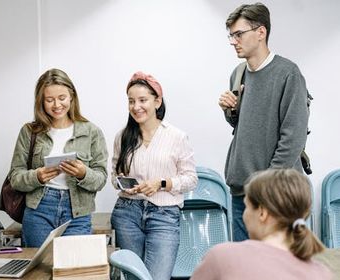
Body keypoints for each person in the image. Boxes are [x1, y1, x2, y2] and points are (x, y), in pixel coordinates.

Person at [218, 3, 309, 241]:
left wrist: (266, 186)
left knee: (280, 269)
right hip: (241, 192)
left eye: (239, 34)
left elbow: (293, 138)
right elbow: (244, 127)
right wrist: (231, 111)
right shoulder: (238, 74)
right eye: (231, 35)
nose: (233, 41)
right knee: (244, 269)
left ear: (261, 32)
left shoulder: (288, 74)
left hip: (276, 194)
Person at [111, 71, 198, 280]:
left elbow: (191, 179)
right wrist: (122, 183)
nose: (135, 107)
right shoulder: (123, 136)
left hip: (164, 215)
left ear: (157, 101)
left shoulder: (176, 136)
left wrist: (162, 183)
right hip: (127, 213)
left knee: (157, 277)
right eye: (131, 101)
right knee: (133, 277)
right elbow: (114, 175)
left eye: (143, 100)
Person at [9, 68, 108, 247]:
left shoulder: (92, 132)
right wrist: (37, 176)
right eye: (49, 100)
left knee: (73, 270)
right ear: (41, 102)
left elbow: (101, 179)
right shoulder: (29, 132)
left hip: (78, 212)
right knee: (39, 271)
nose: (56, 105)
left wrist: (83, 173)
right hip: (39, 210)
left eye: (62, 98)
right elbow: (15, 177)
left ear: (72, 96)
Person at [192, 168, 332, 280]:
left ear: (262, 213)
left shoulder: (222, 257)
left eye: (246, 207)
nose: (244, 214)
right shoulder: (322, 273)